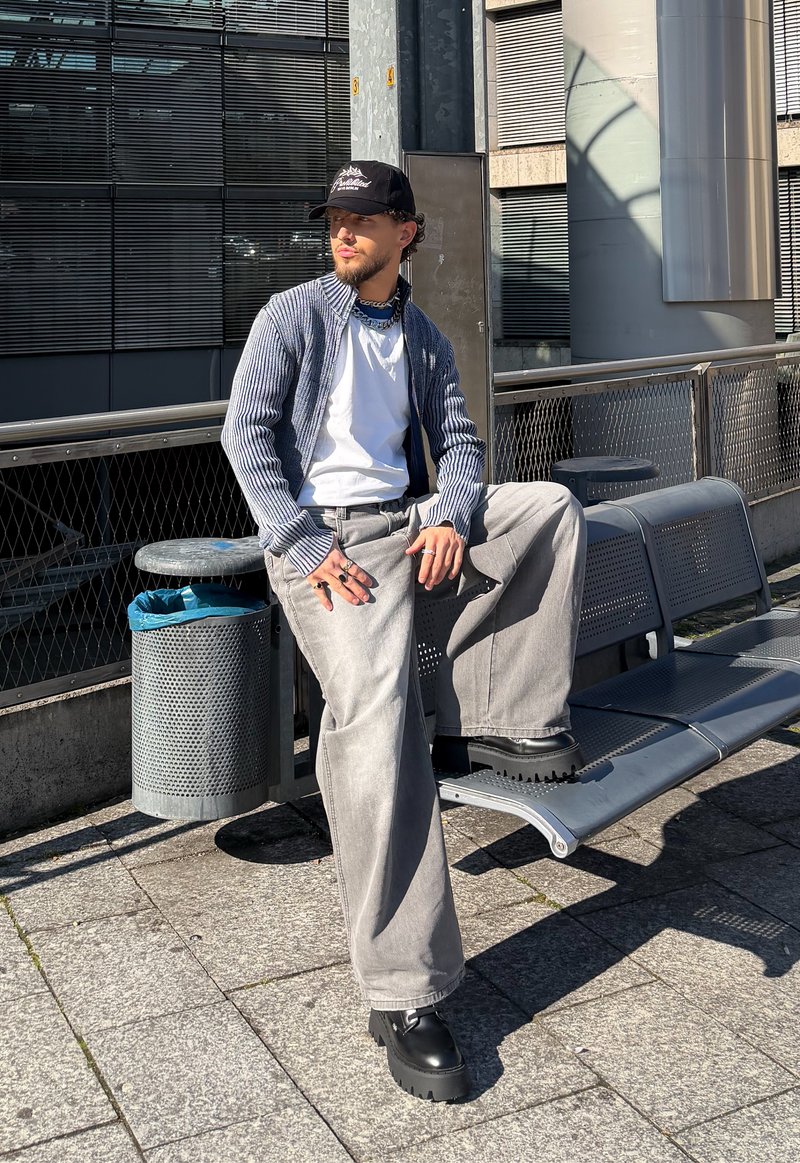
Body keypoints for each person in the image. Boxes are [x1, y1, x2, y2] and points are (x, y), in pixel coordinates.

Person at [221, 160, 586, 1103]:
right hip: (324, 545)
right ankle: (405, 992)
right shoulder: (293, 315)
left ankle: (511, 721)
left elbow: (461, 444)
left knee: (545, 505)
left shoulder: (420, 335)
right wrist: (302, 545)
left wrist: (451, 517)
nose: (341, 232)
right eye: (333, 220)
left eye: (361, 218)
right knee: (378, 720)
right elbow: (245, 436)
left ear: (404, 231)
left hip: (402, 521)